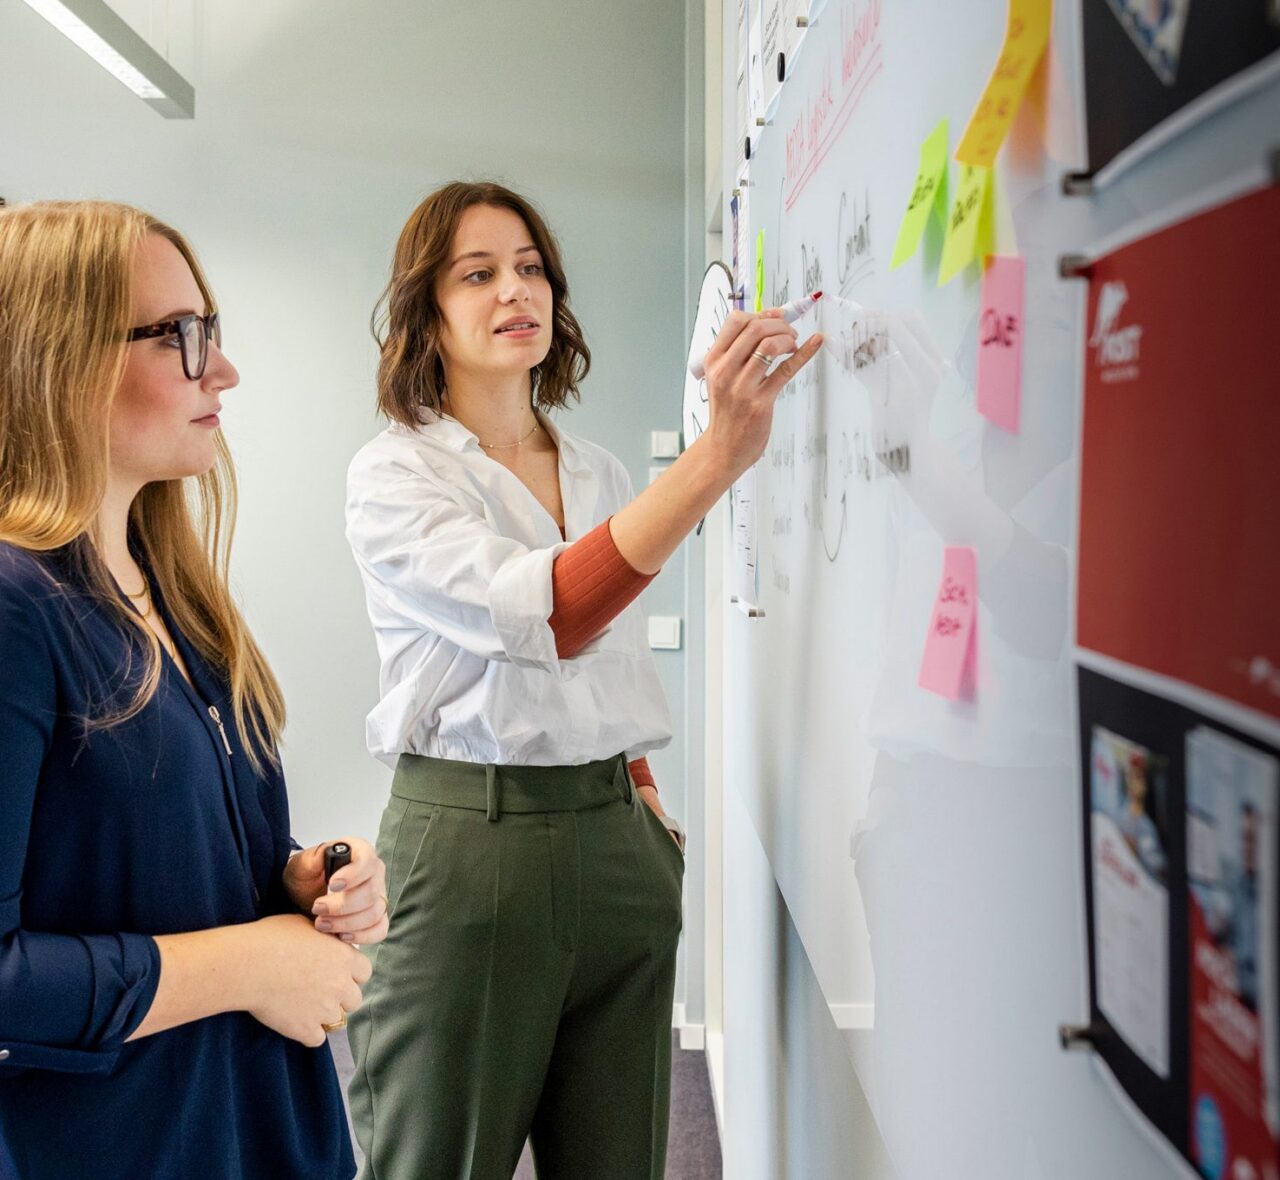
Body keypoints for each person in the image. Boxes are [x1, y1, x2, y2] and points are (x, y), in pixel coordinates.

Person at [344, 180, 822, 1179]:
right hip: (466, 848)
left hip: (615, 844)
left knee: (618, 1161)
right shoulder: (395, 475)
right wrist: (714, 456)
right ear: (424, 310)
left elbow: (610, 661)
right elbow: (551, 613)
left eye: (530, 269)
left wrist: (643, 811)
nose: (514, 290)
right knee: (433, 1158)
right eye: (476, 273)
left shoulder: (596, 470)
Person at [0, 200, 390, 1180]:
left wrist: (296, 881)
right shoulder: (16, 609)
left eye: (209, 333)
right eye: (179, 336)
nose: (222, 370)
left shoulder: (169, 587)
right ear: (60, 357)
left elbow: (132, 867)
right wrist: (255, 961)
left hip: (248, 1120)